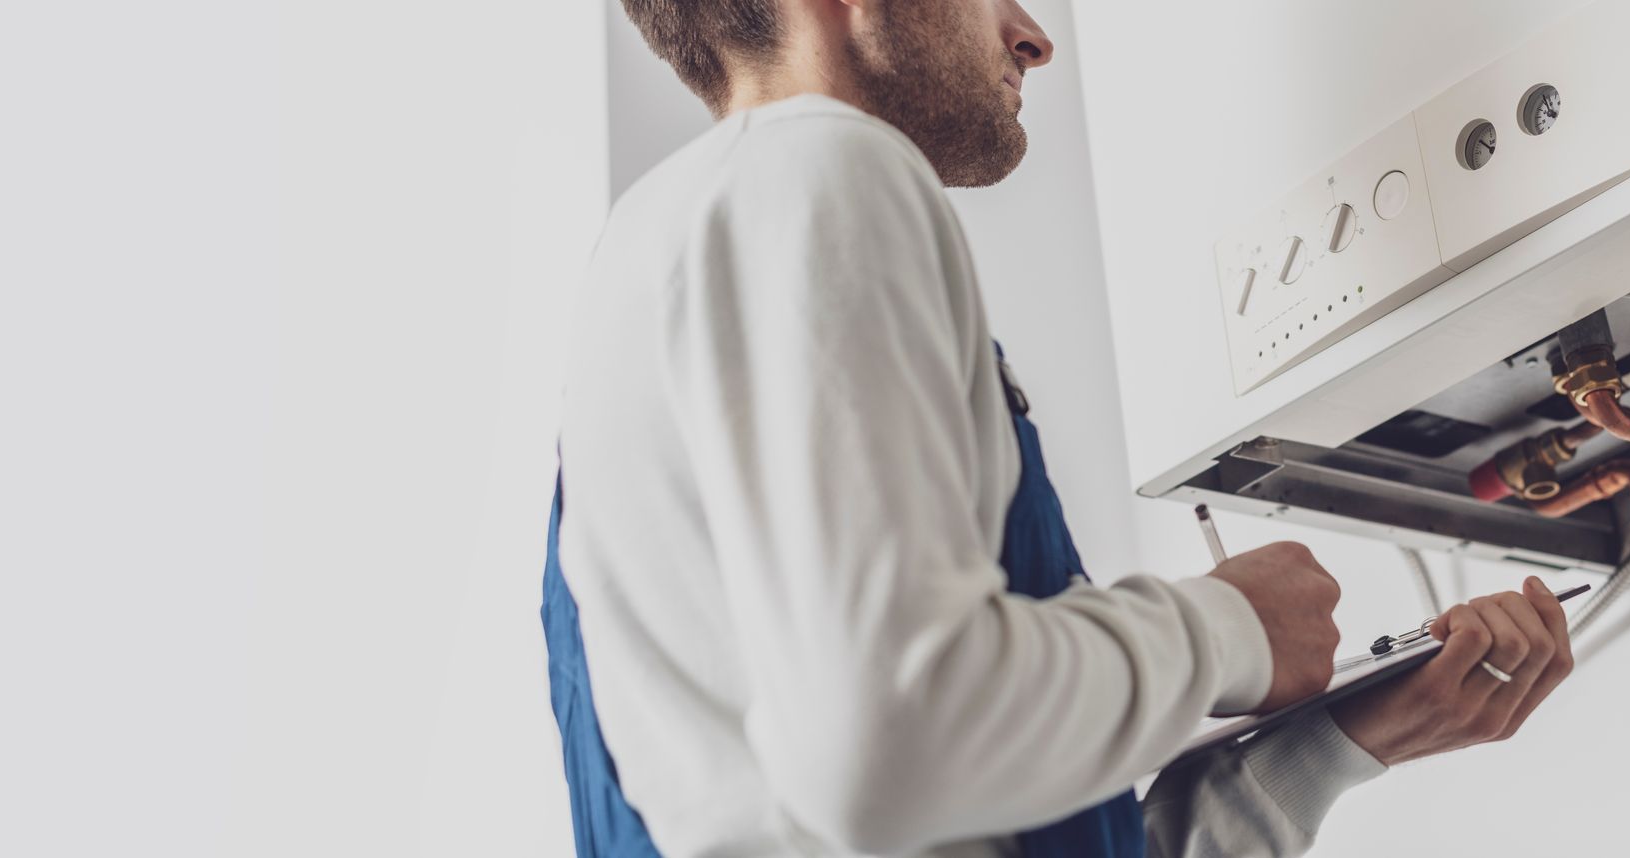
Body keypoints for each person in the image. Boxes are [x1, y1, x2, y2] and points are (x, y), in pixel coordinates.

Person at [542, 0, 1577, 855]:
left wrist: (1340, 743)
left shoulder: (650, 293)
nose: (1033, 34)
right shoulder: (818, 169)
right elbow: (889, 745)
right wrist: (1226, 633)